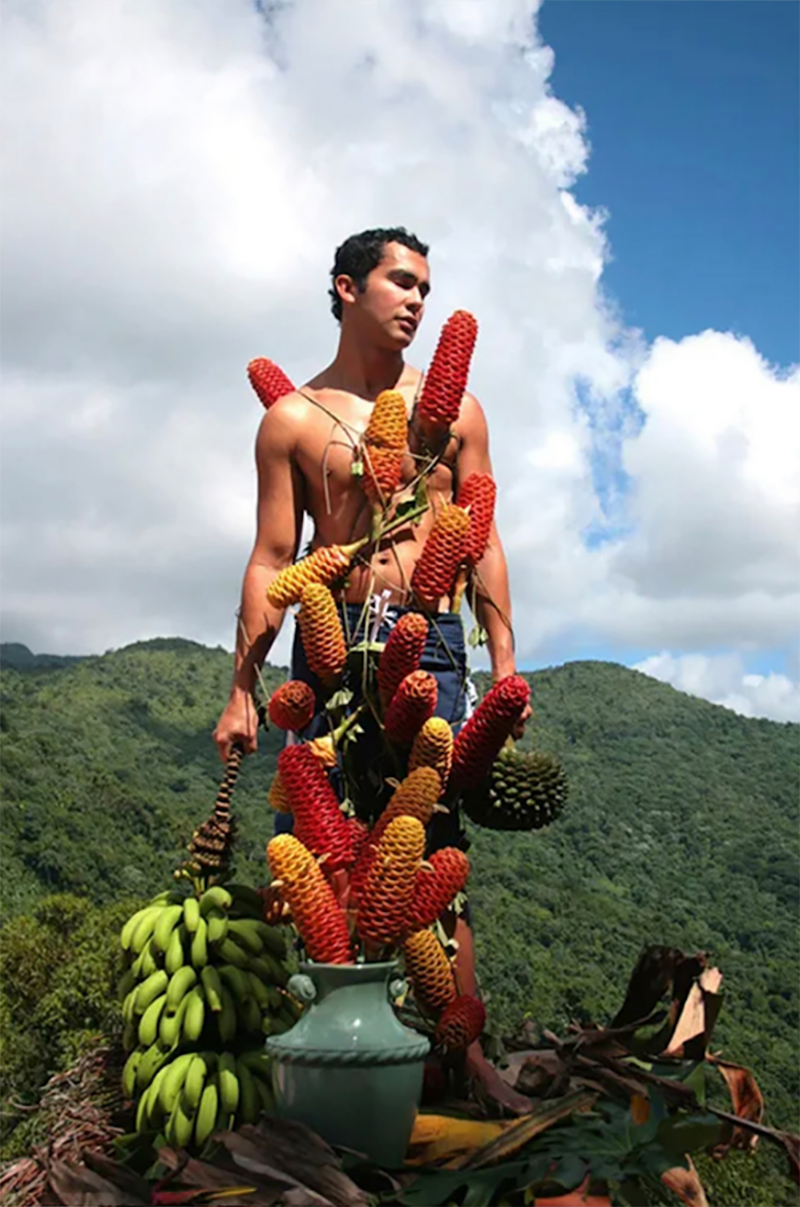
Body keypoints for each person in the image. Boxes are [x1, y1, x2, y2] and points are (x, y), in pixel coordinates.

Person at [213, 227, 532, 1113]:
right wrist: (242, 686)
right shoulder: (295, 420)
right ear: (347, 288)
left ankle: (461, 1064)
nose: (417, 301)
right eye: (400, 281)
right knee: (314, 857)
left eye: (426, 287)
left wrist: (505, 664)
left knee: (433, 848)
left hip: (430, 641)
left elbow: (485, 537)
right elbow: (272, 558)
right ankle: (314, 1053)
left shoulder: (453, 412)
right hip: (330, 639)